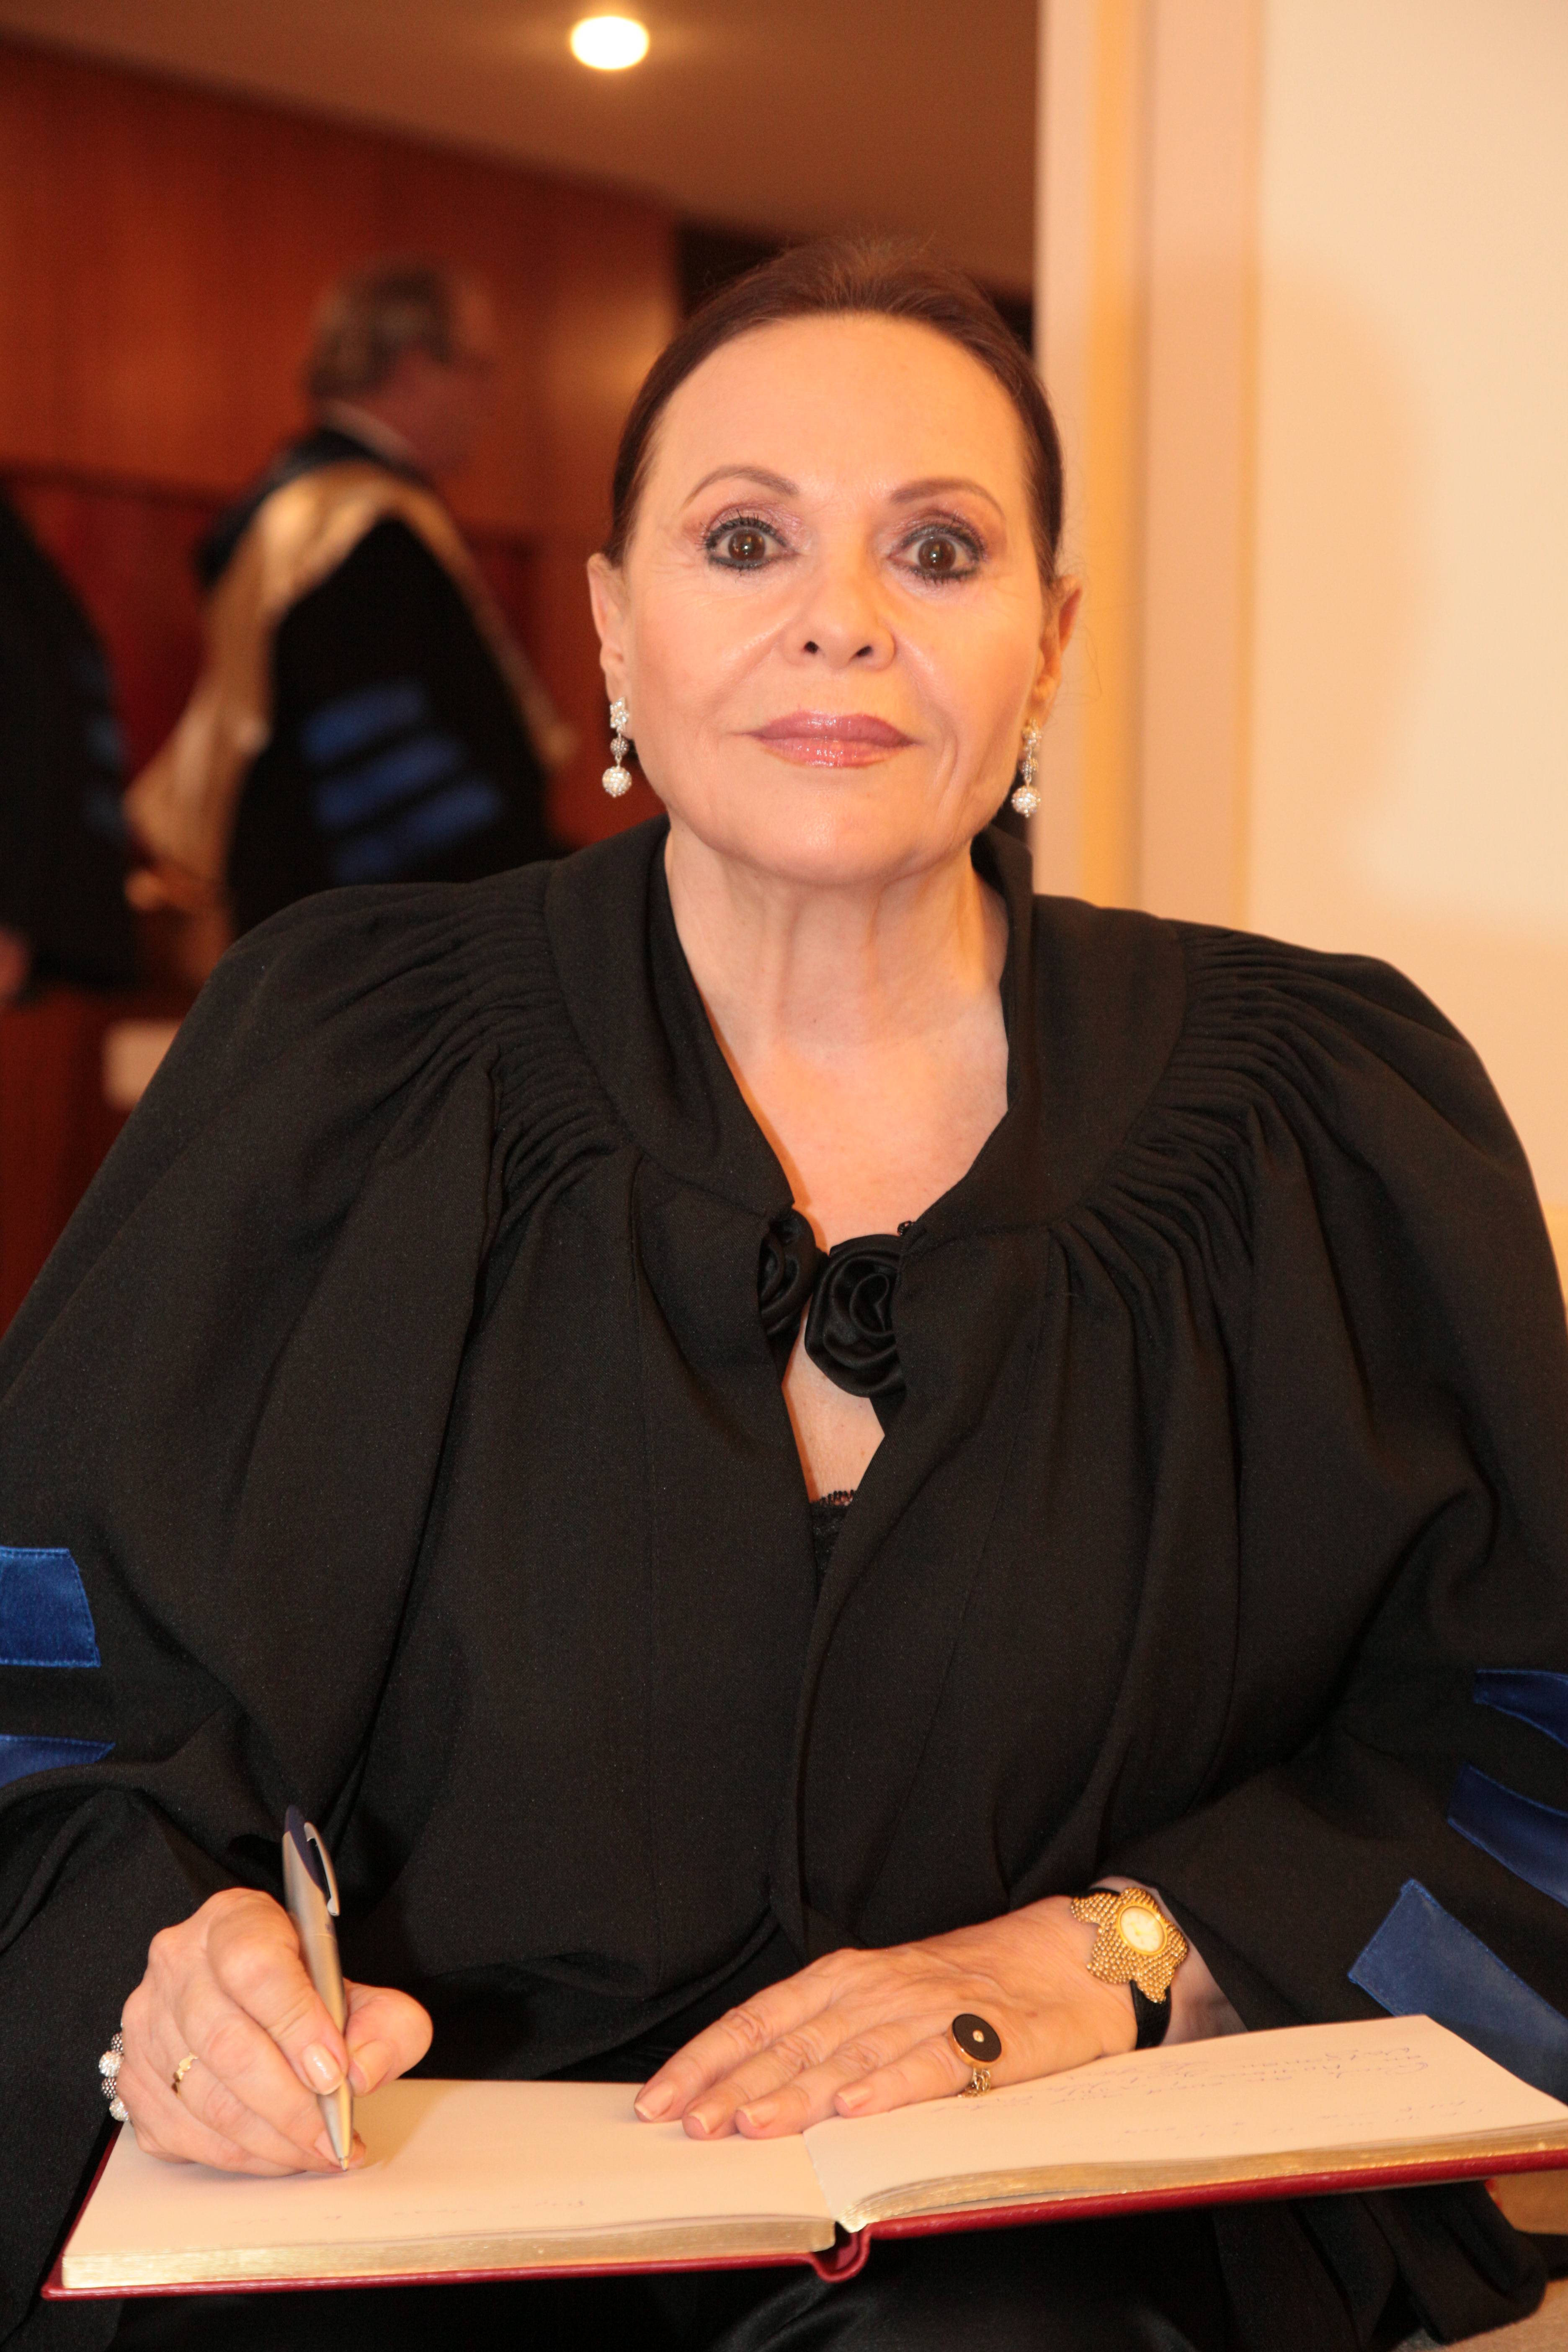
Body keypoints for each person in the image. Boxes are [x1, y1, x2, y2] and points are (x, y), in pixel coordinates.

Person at [1, 239, 1565, 2352]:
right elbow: (45, 1656)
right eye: (745, 539)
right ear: (610, 626)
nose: (840, 615)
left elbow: (1530, 1739)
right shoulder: (335, 1061)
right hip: (407, 2239)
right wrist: (167, 1970)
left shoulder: (1324, 1116)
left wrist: (1117, 1953)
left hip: (1060, 2263)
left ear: (1048, 640)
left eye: (938, 547)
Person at [123, 257, 570, 965]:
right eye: (478, 368)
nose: (491, 397)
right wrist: (532, 889)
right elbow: (379, 766)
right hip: (376, 942)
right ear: (414, 368)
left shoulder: (328, 508)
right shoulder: (351, 530)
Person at [0, 488, 136, 1002]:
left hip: (32, 931)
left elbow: (34, 718)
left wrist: (12, 913)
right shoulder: (22, 562)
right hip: (62, 918)